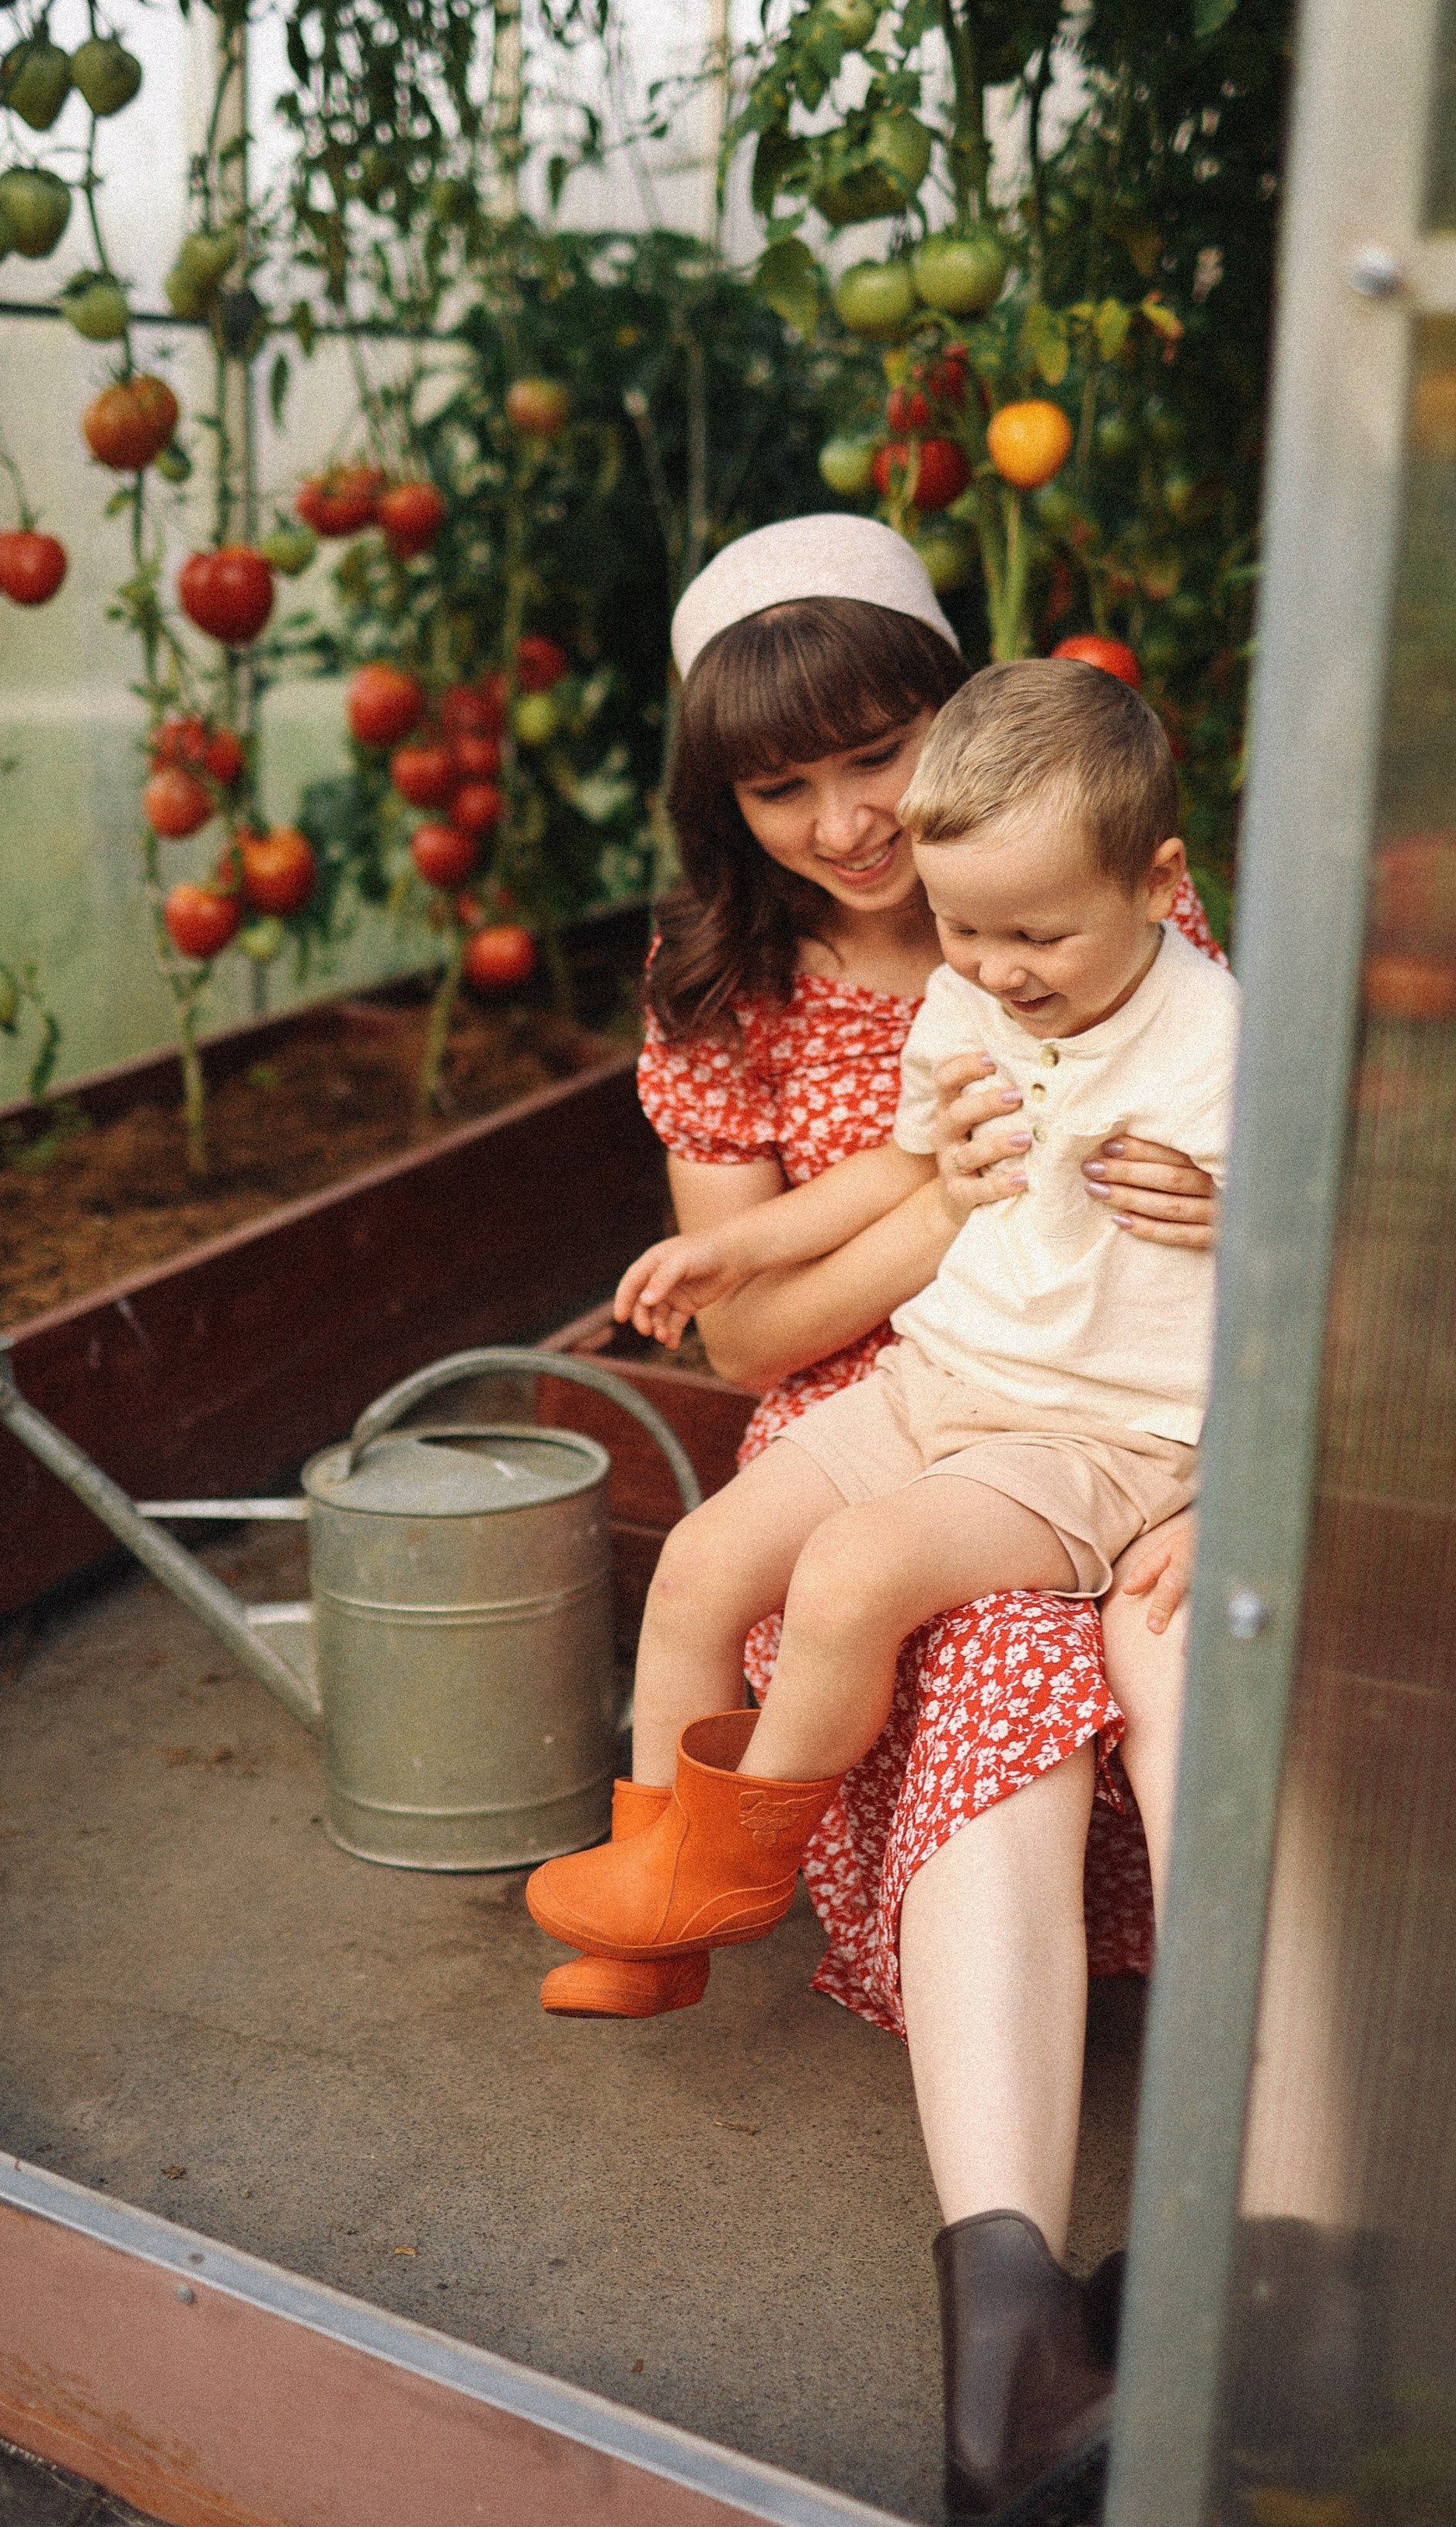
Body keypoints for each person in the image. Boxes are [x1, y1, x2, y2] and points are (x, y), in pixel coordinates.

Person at [538, 519, 1224, 2526]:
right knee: (939, 1616)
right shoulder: (719, 979)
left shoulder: (1082, 891)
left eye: (879, 754)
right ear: (722, 796)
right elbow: (746, 1321)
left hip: (1105, 1407)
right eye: (782, 783)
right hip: (870, 1402)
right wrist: (933, 1206)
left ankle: (1105, 2282)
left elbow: (1239, 1200)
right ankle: (1003, 2297)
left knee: (1107, 1631)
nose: (846, 822)